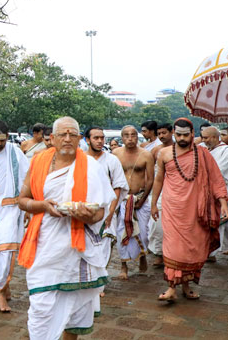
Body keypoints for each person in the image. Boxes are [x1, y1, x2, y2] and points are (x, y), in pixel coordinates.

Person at [17, 117, 115, 339]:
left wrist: (87, 216)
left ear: (80, 138)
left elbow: (100, 212)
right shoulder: (38, 161)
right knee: (40, 307)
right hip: (45, 245)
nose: (68, 139)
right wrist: (42, 206)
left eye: (73, 134)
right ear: (52, 138)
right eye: (63, 134)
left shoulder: (92, 167)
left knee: (77, 308)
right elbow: (22, 200)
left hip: (78, 248)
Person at [151, 118, 228, 302]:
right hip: (172, 209)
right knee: (173, 248)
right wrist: (153, 203)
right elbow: (158, 179)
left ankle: (186, 286)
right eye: (178, 135)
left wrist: (223, 202)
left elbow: (215, 178)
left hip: (196, 210)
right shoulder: (164, 153)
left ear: (193, 134)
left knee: (192, 249)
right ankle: (171, 287)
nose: (182, 138)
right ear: (173, 133)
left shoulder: (202, 153)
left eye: (186, 135)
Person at [0, 120, 30, 313]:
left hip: (11, 208)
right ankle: (2, 288)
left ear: (7, 137)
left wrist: (26, 206)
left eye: (2, 140)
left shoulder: (14, 152)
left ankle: (0, 293)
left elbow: (27, 177)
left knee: (6, 250)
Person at [84, 125, 128, 316]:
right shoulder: (80, 159)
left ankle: (98, 282)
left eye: (102, 138)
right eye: (96, 138)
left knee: (103, 246)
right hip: (84, 210)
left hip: (107, 210)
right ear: (87, 140)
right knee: (85, 246)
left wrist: (111, 212)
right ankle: (87, 278)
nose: (100, 141)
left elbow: (118, 187)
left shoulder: (111, 160)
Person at [112, 125, 155, 279]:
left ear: (137, 137)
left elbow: (150, 180)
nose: (130, 138)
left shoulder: (146, 155)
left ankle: (142, 255)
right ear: (122, 138)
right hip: (122, 199)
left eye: (133, 135)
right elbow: (110, 176)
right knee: (121, 232)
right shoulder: (115, 154)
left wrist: (142, 200)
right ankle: (123, 266)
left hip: (140, 197)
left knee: (143, 232)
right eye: (126, 135)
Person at [201, 126, 228, 264]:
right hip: (207, 191)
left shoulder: (227, 151)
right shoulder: (205, 150)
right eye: (203, 137)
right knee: (212, 222)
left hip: (224, 191)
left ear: (214, 137)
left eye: (206, 138)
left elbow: (218, 170)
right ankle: (211, 253)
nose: (204, 140)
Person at [148, 122, 174, 267]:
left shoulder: (180, 148)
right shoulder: (156, 150)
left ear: (172, 132)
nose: (161, 136)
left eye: (164, 133)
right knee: (157, 223)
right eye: (159, 134)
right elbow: (150, 172)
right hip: (159, 189)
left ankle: (173, 255)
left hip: (176, 190)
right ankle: (158, 254)